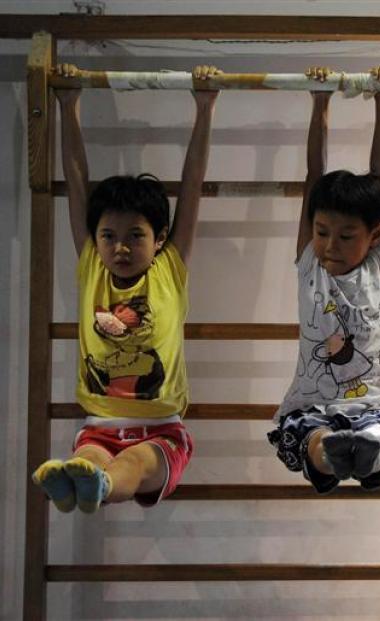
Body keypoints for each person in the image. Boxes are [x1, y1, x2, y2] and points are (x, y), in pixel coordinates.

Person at [31, 63, 219, 513]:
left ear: (159, 240)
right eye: (109, 236)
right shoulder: (91, 267)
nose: (120, 247)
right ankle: (78, 479)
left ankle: (91, 484)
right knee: (89, 456)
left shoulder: (168, 269)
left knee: (132, 463)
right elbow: (77, 186)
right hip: (98, 424)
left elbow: (191, 187)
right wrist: (68, 104)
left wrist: (205, 107)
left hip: (162, 430)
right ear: (95, 240)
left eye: (135, 235)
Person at [267, 66, 380, 494]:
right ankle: (329, 451)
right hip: (314, 404)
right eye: (321, 232)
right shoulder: (309, 264)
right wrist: (319, 102)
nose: (330, 244)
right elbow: (313, 176)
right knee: (303, 433)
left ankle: (370, 446)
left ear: (374, 235)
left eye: (347, 236)